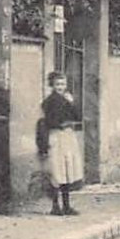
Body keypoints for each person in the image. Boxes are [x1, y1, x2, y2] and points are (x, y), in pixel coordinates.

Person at [38, 72, 84, 217]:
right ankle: (55, 206)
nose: (60, 87)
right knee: (57, 170)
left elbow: (78, 117)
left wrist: (71, 102)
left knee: (67, 169)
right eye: (57, 84)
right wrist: (62, 123)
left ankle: (67, 205)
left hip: (68, 138)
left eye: (63, 84)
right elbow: (49, 121)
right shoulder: (48, 102)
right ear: (52, 85)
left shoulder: (67, 99)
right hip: (56, 136)